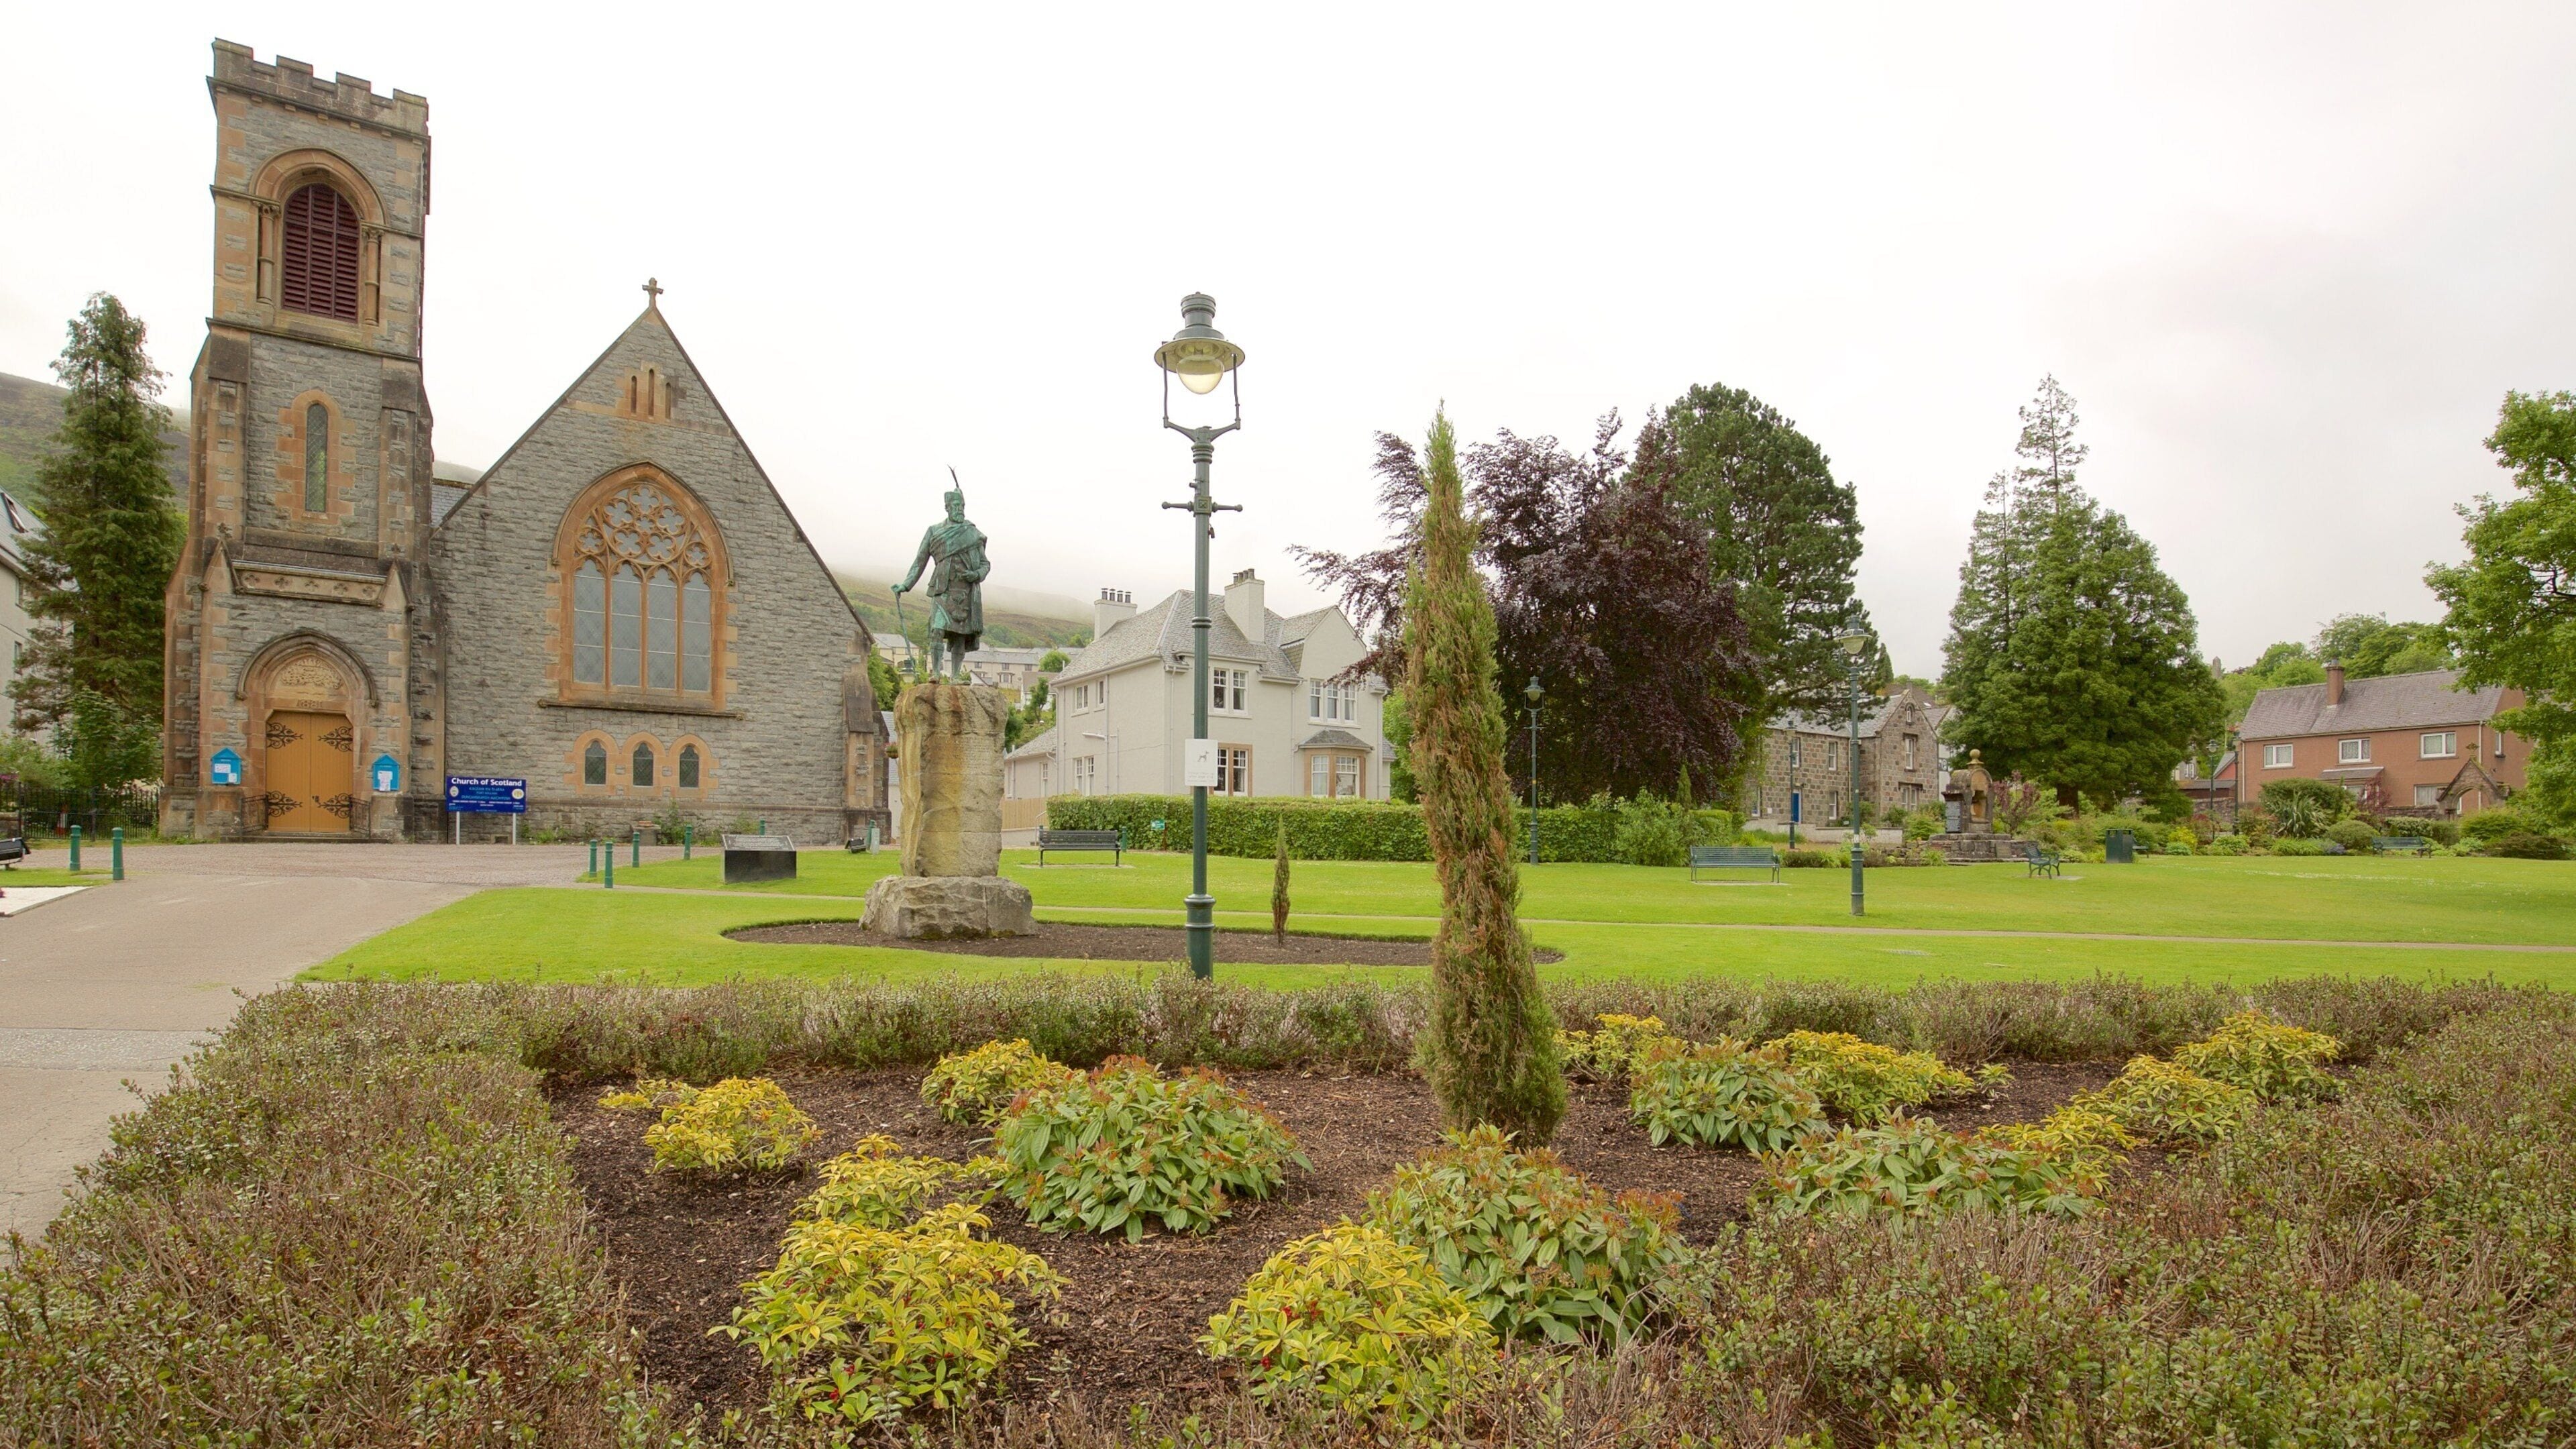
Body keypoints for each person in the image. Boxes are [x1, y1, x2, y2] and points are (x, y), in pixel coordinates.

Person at [896, 486, 989, 680]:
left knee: (960, 636)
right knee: (937, 629)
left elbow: (985, 564)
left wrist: (977, 574)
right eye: (956, 506)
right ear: (947, 507)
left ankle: (955, 677)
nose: (960, 510)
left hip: (965, 591)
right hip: (942, 589)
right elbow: (920, 560)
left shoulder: (973, 533)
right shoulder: (934, 531)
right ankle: (936, 673)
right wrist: (906, 584)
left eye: (962, 506)